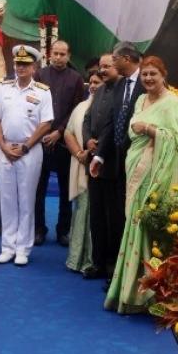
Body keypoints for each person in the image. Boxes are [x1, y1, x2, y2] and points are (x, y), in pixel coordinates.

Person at [105, 55, 178, 314]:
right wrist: (141, 129)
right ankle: (128, 288)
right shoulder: (141, 99)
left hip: (156, 176)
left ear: (164, 75)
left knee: (145, 226)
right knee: (132, 224)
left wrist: (151, 130)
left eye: (154, 74)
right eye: (145, 75)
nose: (149, 78)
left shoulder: (172, 103)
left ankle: (147, 294)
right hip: (136, 167)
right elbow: (131, 131)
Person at [0, 45, 53, 266]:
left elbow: (46, 123)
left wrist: (26, 147)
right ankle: (7, 247)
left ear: (34, 67)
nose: (21, 68)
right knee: (6, 200)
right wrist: (3, 147)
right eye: (18, 64)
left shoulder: (43, 92)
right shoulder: (3, 89)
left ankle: (23, 248)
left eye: (25, 64)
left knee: (26, 200)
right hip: (5, 149)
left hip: (29, 151)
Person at [90, 43, 144, 275]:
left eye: (114, 59)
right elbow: (113, 123)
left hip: (140, 160)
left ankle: (127, 271)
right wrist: (100, 155)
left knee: (127, 216)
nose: (111, 64)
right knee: (114, 216)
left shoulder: (147, 83)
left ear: (125, 59)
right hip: (115, 162)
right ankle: (112, 267)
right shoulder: (120, 85)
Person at [34, 38, 85, 247]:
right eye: (55, 53)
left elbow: (76, 110)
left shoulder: (76, 79)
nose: (58, 57)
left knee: (65, 190)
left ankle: (63, 230)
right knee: (38, 188)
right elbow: (34, 106)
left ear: (69, 56)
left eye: (62, 54)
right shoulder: (39, 75)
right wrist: (43, 132)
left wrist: (59, 132)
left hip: (64, 142)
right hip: (41, 140)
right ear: (49, 54)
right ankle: (38, 229)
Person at [82, 52, 119, 280]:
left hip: (111, 163)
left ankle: (111, 265)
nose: (103, 70)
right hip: (93, 160)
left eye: (108, 66)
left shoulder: (122, 91)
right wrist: (87, 140)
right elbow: (87, 119)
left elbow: (113, 125)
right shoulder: (101, 90)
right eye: (101, 67)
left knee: (112, 218)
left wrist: (100, 149)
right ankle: (97, 262)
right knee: (95, 215)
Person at [64, 65, 102, 273]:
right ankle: (76, 259)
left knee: (95, 216)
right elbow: (68, 133)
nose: (95, 86)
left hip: (100, 169)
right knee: (81, 212)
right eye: (93, 83)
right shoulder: (80, 107)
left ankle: (92, 260)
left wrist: (92, 155)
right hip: (80, 164)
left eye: (99, 83)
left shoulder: (107, 108)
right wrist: (80, 154)